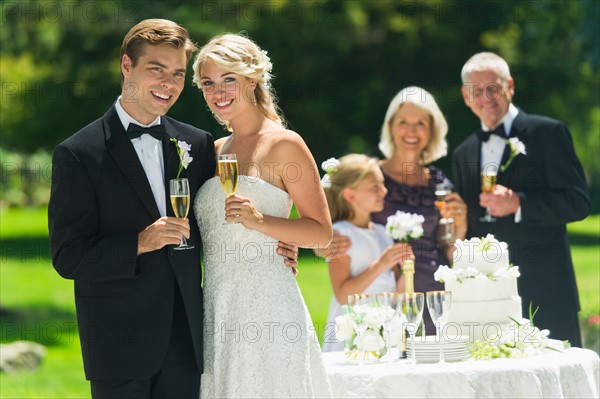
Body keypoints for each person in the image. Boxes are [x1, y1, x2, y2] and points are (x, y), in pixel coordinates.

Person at [48, 19, 213, 398]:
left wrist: (277, 246)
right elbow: (68, 257)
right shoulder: (78, 153)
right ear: (127, 66)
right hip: (117, 346)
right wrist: (139, 242)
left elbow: (212, 224)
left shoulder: (197, 143)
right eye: (156, 69)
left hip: (185, 343)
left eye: (177, 73)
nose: (168, 84)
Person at [191, 33, 332, 398]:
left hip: (269, 309)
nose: (217, 92)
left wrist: (263, 223)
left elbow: (321, 233)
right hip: (218, 309)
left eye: (228, 80)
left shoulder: (284, 144)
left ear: (251, 80)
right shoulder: (213, 150)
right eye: (208, 83)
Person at [453, 52, 591, 346]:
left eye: (493, 87)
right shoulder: (463, 153)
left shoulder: (548, 133)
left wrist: (520, 204)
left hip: (548, 294)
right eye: (476, 91)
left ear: (510, 86)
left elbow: (578, 202)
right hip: (490, 303)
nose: (486, 97)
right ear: (466, 97)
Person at [319, 86, 467, 334]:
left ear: (432, 130)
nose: (411, 131)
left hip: (433, 294)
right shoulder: (368, 175)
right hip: (380, 299)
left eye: (420, 123)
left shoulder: (441, 186)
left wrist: (460, 226)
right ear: (390, 126)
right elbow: (331, 221)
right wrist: (323, 245)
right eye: (403, 122)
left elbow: (450, 251)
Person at [320, 154, 414, 352]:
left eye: (382, 184)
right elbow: (343, 295)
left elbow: (396, 292)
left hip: (384, 328)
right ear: (350, 195)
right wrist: (382, 264)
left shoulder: (382, 233)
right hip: (352, 331)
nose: (384, 190)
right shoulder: (341, 234)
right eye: (375, 186)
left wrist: (407, 269)